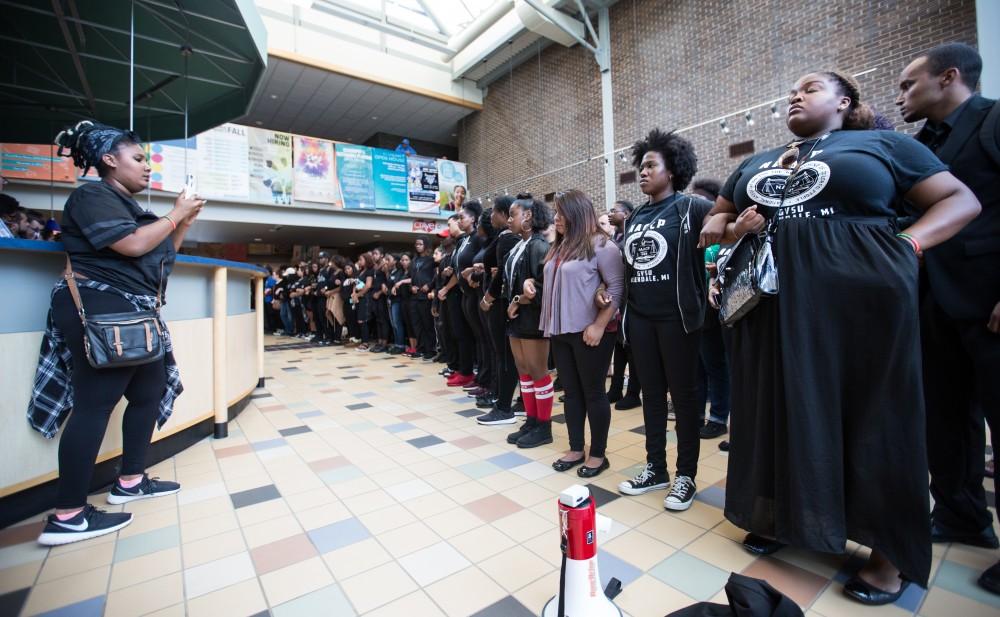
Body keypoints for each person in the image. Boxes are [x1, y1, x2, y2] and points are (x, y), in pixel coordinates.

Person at [700, 70, 980, 604]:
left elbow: (959, 201)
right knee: (775, 411)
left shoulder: (882, 144)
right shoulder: (758, 161)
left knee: (875, 414)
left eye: (808, 88)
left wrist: (907, 248)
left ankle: (888, 555)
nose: (793, 94)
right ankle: (782, 518)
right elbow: (718, 219)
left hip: (860, 299)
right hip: (769, 304)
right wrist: (730, 227)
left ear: (844, 101)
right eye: (790, 90)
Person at [30, 121, 205, 545]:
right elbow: (130, 246)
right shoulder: (91, 195)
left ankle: (129, 481)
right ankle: (68, 515)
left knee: (149, 391)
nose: (147, 167)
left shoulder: (125, 203)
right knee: (95, 404)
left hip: (131, 313)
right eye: (139, 158)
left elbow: (157, 253)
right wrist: (174, 213)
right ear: (110, 160)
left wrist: (181, 222)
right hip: (101, 309)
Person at [896, 43, 1000, 594]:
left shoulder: (994, 119)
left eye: (910, 83)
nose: (902, 95)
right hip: (935, 303)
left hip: (989, 301)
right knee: (947, 415)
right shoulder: (920, 146)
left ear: (950, 78)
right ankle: (962, 514)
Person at [611, 129, 713, 514]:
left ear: (672, 171)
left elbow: (727, 226)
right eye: (640, 166)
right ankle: (655, 467)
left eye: (651, 165)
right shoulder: (636, 215)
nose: (642, 172)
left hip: (678, 320)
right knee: (651, 396)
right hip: (640, 320)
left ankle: (685, 474)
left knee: (683, 399)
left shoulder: (691, 208)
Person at [542, 190, 624, 477]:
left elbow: (615, 289)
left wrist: (599, 325)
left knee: (593, 393)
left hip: (590, 331)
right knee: (572, 394)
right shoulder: (562, 246)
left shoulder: (603, 245)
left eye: (561, 213)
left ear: (577, 213)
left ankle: (598, 455)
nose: (556, 218)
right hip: (561, 330)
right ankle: (576, 448)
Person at [502, 194, 555, 448]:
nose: (509, 219)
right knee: (524, 371)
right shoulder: (518, 246)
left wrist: (518, 300)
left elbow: (543, 286)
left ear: (529, 217)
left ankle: (544, 426)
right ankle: (532, 420)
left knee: (538, 372)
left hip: (533, 318)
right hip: (517, 320)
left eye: (513, 214)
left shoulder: (538, 245)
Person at [690, 178, 732, 439]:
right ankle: (698, 414)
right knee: (699, 366)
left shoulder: (724, 232)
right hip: (696, 310)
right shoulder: (692, 234)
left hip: (718, 310)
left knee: (717, 366)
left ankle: (718, 418)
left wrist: (718, 271)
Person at [476, 196, 522, 425]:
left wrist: (488, 297)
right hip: (500, 303)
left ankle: (504, 406)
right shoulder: (505, 238)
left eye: (494, 211)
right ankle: (513, 402)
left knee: (505, 355)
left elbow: (503, 273)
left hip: (501, 304)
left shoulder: (509, 238)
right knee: (504, 354)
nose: (491, 215)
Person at [605, 200, 642, 410]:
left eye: (614, 211)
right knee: (619, 347)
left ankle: (633, 392)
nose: (610, 214)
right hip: (619, 300)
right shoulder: (616, 237)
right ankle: (616, 388)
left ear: (627, 214)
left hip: (632, 299)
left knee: (632, 349)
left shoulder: (631, 237)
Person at [447, 202, 485, 388]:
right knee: (472, 336)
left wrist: (474, 274)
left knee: (480, 338)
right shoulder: (465, 240)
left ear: (473, 219)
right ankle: (473, 374)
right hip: (465, 295)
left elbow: (482, 261)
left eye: (462, 217)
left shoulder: (477, 237)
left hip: (475, 293)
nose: (459, 220)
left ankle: (478, 376)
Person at [409, 236, 437, 359]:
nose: (417, 246)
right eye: (416, 244)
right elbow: (411, 277)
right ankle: (420, 348)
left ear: (425, 245)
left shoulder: (431, 260)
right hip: (415, 296)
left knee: (427, 324)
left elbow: (436, 275)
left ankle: (430, 350)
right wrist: (411, 287)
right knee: (417, 324)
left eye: (420, 244)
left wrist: (430, 285)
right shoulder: (414, 260)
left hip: (426, 296)